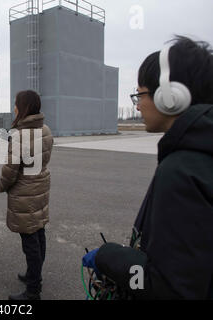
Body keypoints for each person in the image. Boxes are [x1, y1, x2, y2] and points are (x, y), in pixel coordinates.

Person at [83, 36, 213, 299]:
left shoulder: (182, 170)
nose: (138, 104)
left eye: (140, 94)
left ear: (170, 97)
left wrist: (110, 257)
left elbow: (165, 287)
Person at [0, 90, 54, 300]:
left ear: (24, 107)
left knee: (29, 239)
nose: (14, 108)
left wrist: (2, 186)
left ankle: (33, 291)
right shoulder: (46, 129)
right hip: (40, 186)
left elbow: (10, 170)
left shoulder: (20, 135)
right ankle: (34, 274)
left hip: (25, 191)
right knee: (38, 232)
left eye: (16, 104)